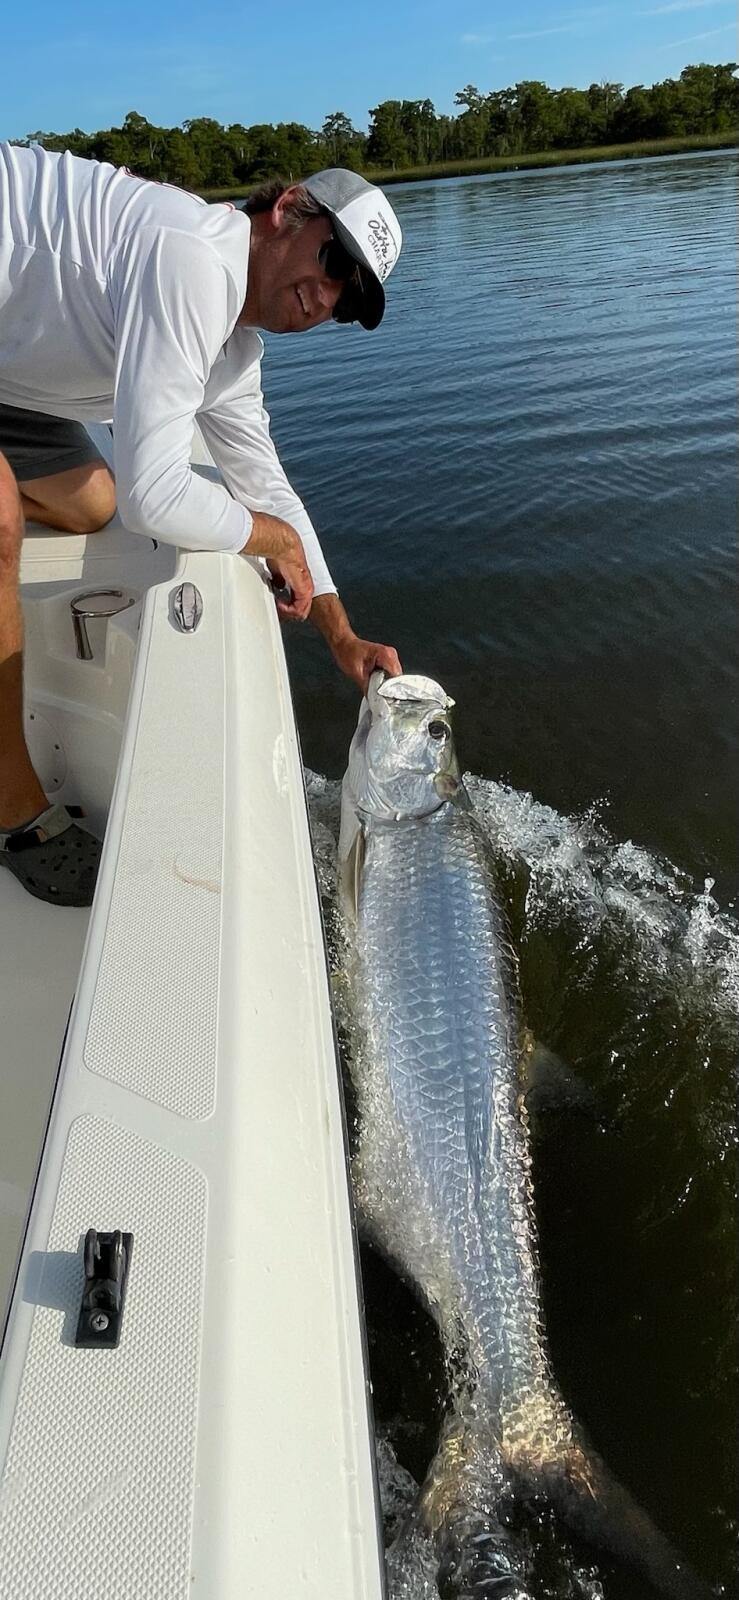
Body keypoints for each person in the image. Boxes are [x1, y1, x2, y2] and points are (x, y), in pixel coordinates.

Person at [0, 143, 403, 905]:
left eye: (346, 300)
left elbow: (264, 485)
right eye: (329, 261)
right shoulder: (194, 258)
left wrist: (340, 635)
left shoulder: (235, 348)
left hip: (11, 377)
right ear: (286, 210)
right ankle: (12, 808)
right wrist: (268, 538)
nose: (323, 297)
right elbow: (161, 495)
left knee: (94, 505)